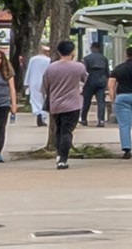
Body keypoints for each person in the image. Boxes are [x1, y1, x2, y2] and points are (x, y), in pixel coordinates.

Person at [41, 41, 88, 170]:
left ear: (58, 52)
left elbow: (44, 86)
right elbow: (86, 80)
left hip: (55, 104)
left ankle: (59, 154)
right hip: (73, 104)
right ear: (73, 52)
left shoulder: (51, 68)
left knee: (59, 130)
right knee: (67, 132)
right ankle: (63, 159)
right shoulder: (79, 67)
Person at [82, 40, 111, 127]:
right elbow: (107, 72)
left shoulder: (87, 58)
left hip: (89, 82)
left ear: (92, 48)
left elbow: (84, 72)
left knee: (86, 101)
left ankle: (83, 119)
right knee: (101, 102)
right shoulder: (104, 58)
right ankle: (101, 120)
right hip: (101, 82)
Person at [24, 43, 52, 128]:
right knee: (44, 100)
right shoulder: (49, 60)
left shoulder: (33, 59)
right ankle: (42, 116)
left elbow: (28, 71)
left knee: (35, 99)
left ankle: (38, 113)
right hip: (45, 82)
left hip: (33, 82)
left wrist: (26, 83)